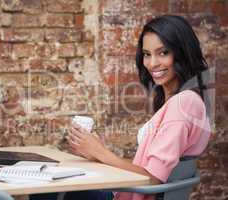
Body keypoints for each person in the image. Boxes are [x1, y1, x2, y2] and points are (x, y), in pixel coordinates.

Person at [30, 14, 211, 200]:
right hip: (129, 193)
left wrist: (100, 152)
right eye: (147, 54)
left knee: (43, 189)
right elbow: (147, 171)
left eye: (163, 52)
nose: (152, 63)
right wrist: (96, 153)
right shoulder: (182, 101)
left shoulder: (183, 104)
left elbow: (153, 178)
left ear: (181, 52)